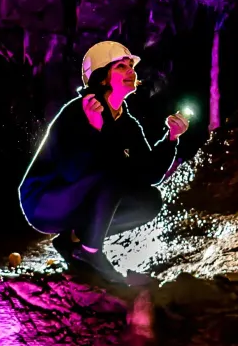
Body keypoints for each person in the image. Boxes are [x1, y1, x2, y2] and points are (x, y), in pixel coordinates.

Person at [19, 40, 189, 284]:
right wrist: (93, 130)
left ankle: (77, 241)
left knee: (149, 201)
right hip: (45, 200)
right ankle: (91, 252)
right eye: (121, 66)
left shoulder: (127, 124)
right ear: (101, 78)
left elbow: (150, 173)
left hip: (82, 196)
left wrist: (171, 139)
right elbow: (71, 171)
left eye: (131, 66)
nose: (131, 71)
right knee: (113, 168)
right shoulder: (78, 111)